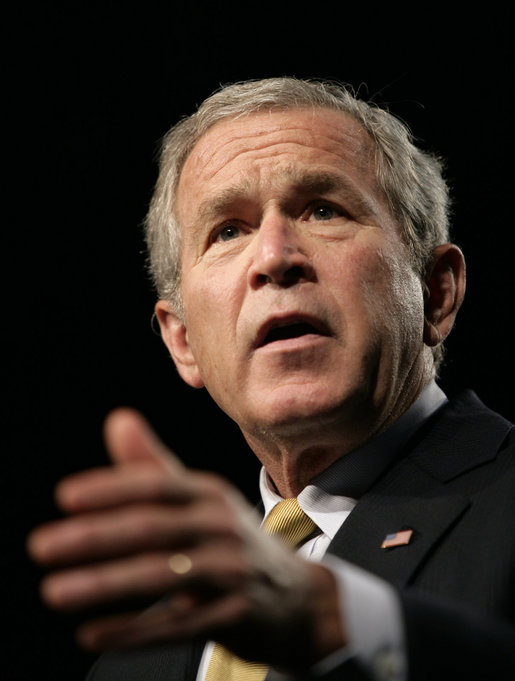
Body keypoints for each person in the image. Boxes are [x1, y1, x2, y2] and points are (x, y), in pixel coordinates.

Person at [28, 78, 515, 681]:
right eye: (227, 231)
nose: (274, 257)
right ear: (182, 341)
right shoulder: (132, 661)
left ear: (437, 293)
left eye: (322, 209)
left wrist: (342, 622)